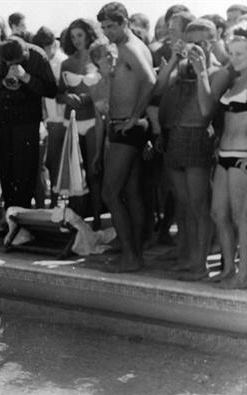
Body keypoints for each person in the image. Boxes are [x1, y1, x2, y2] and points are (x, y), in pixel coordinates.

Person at [154, 19, 228, 280]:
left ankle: (201, 263)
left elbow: (207, 110)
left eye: (198, 43)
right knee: (184, 206)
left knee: (199, 205)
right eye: (190, 43)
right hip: (175, 135)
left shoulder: (219, 72)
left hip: (197, 137)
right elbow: (159, 88)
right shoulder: (183, 67)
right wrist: (175, 59)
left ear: (209, 42)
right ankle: (187, 256)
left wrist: (202, 71)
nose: (194, 48)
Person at [96, 2, 156, 272]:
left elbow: (150, 81)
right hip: (125, 126)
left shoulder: (130, 47)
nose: (107, 31)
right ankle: (134, 252)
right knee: (131, 193)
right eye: (104, 27)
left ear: (124, 23)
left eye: (112, 26)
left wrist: (134, 116)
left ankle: (132, 256)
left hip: (127, 128)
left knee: (110, 192)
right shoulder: (128, 46)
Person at [0, 36, 57, 209]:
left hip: (27, 121)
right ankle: (9, 212)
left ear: (24, 54)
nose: (11, 65)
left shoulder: (38, 55)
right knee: (5, 168)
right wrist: (2, 82)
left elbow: (51, 90)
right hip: (1, 119)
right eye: (7, 62)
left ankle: (23, 212)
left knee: (25, 169)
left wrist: (26, 78)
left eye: (15, 62)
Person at [210, 24, 247, 289]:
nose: (235, 58)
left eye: (241, 54)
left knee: (241, 217)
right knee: (217, 214)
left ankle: (243, 275)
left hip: (241, 156)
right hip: (224, 153)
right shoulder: (234, 82)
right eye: (232, 53)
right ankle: (227, 267)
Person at [57, 19, 104, 229]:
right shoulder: (66, 63)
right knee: (74, 172)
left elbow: (105, 91)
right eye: (73, 36)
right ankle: (76, 221)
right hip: (72, 122)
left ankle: (95, 221)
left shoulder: (98, 60)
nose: (76, 40)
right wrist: (66, 98)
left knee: (94, 172)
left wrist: (88, 98)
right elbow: (58, 93)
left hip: (93, 121)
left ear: (89, 34)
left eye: (80, 35)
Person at [33, 27, 69, 209]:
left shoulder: (62, 61)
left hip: (61, 119)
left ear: (53, 44)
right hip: (47, 120)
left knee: (54, 164)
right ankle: (49, 204)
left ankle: (55, 204)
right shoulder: (44, 61)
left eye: (47, 47)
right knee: (46, 164)